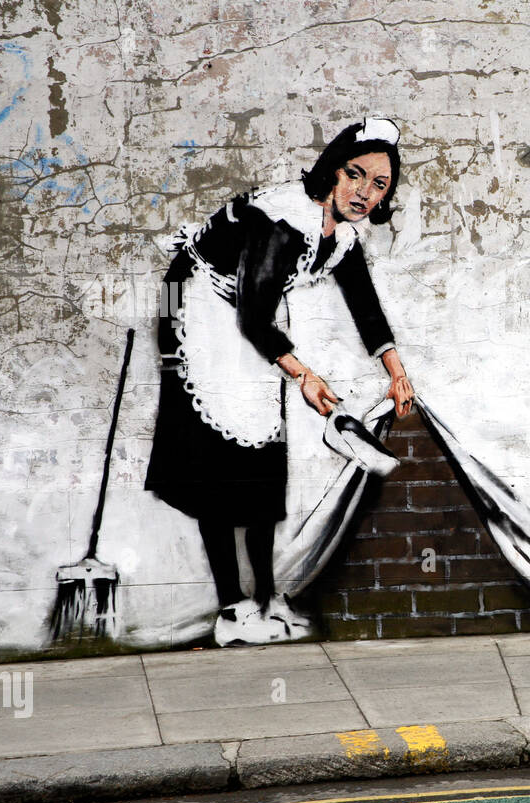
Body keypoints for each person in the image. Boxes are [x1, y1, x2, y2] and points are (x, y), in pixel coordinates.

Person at [145, 118, 416, 645]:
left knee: (262, 451)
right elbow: (252, 318)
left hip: (245, 310)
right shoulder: (286, 221)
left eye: (379, 184)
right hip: (194, 305)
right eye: (355, 175)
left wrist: (397, 375)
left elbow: (366, 308)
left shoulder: (340, 235)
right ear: (332, 172)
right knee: (216, 457)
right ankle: (231, 610)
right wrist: (305, 375)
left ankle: (267, 602)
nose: (364, 192)